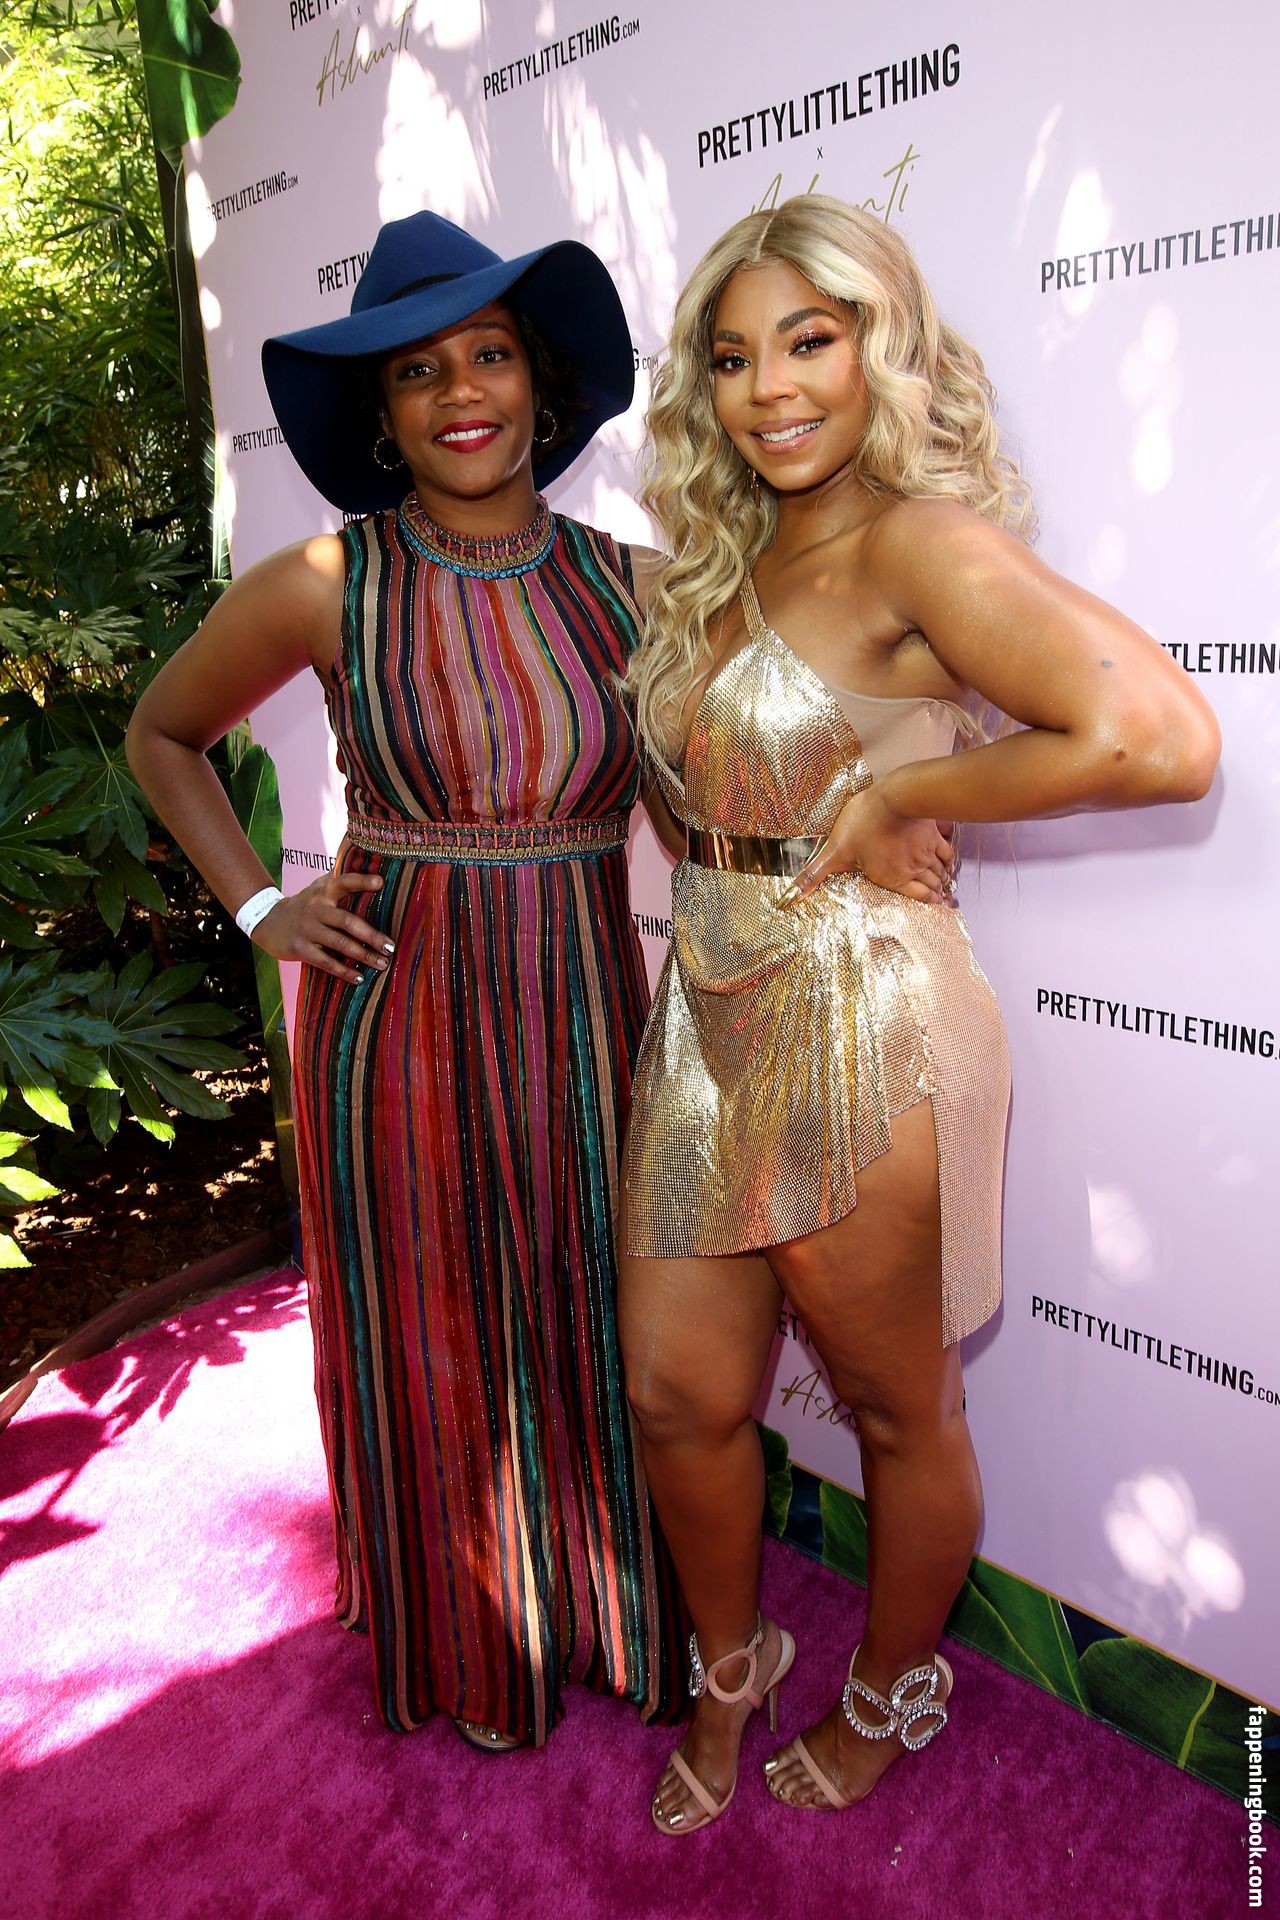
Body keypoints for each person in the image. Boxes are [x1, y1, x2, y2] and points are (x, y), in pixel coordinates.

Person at [617, 194, 1220, 1829]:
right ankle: (730, 1669)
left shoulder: (914, 541)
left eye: (809, 340)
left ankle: (891, 1697)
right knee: (677, 1393)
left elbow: (1157, 736)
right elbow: (701, 791)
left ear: (880, 347)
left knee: (899, 1407)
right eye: (733, 356)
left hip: (863, 1015)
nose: (770, 387)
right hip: (705, 1006)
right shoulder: (721, 558)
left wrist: (905, 797)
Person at [127, 209, 684, 1748]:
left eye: (488, 355)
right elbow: (163, 734)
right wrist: (261, 907)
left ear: (540, 382)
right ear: (382, 414)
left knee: (589, 1300)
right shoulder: (326, 580)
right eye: (417, 370)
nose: (460, 392)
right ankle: (465, 1642)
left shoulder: (639, 586)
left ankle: (599, 1612)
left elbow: (735, 776)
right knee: (428, 1318)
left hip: (583, 1004)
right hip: (395, 1015)